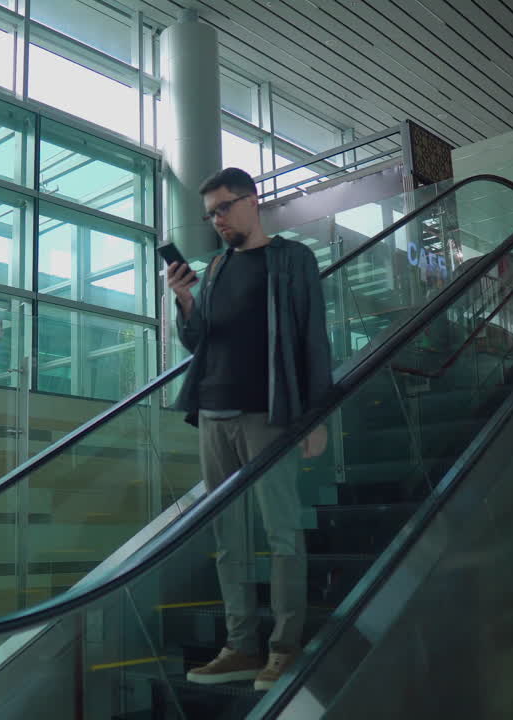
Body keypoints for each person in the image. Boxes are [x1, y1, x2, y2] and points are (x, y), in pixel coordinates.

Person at [166, 167, 332, 692]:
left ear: (252, 201)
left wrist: (317, 416)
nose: (217, 219)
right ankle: (241, 646)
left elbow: (312, 340)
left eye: (224, 207)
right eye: (211, 212)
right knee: (226, 537)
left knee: (282, 532)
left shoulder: (292, 260)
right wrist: (186, 301)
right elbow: (200, 342)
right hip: (214, 414)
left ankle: (284, 645)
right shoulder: (214, 269)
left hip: (270, 414)